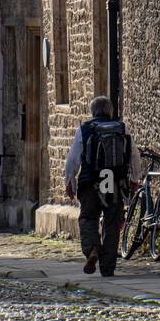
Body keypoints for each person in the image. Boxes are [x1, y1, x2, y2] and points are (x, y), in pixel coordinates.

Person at [64, 95, 141, 277]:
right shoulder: (122, 128)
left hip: (90, 183)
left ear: (93, 112)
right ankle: (108, 268)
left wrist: (70, 182)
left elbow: (73, 159)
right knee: (112, 223)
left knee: (88, 218)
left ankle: (92, 249)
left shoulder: (85, 129)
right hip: (115, 183)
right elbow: (134, 155)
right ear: (110, 111)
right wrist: (134, 179)